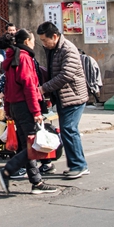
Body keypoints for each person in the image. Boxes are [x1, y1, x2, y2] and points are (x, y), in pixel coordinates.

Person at [0, 30, 59, 195]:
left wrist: (9, 108)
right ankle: (8, 171)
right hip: (25, 106)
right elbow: (29, 86)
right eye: (32, 39)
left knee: (27, 145)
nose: (34, 43)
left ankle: (36, 182)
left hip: (16, 106)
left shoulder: (12, 58)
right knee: (33, 146)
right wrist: (36, 111)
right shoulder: (23, 57)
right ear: (27, 41)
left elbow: (8, 86)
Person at [37, 21, 90, 179]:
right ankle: (78, 164)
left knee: (69, 129)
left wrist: (43, 88)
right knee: (68, 130)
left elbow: (65, 76)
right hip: (63, 97)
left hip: (74, 96)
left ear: (54, 36)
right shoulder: (53, 49)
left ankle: (79, 165)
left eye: (45, 40)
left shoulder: (68, 49)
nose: (44, 44)